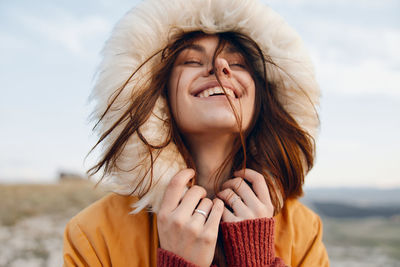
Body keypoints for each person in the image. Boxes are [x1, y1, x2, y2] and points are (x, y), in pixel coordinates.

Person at [63, 0, 329, 266]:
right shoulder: (93, 233)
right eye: (191, 60)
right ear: (160, 94)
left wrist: (255, 260)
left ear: (263, 95)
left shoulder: (304, 232)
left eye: (238, 63)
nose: (220, 66)